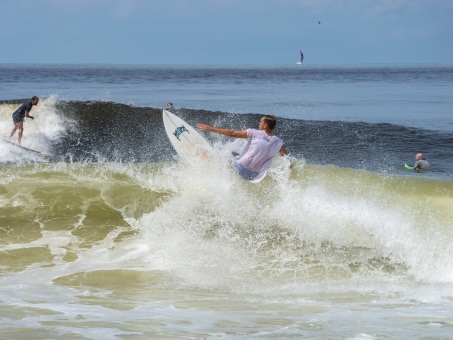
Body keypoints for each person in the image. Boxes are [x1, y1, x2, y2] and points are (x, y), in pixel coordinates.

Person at [197, 115, 288, 180]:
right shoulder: (279, 142)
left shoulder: (255, 133)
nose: (259, 123)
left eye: (261, 122)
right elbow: (285, 158)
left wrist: (209, 128)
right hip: (253, 175)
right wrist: (290, 167)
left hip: (240, 167)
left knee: (221, 152)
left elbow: (231, 134)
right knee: (234, 153)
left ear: (265, 125)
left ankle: (203, 158)